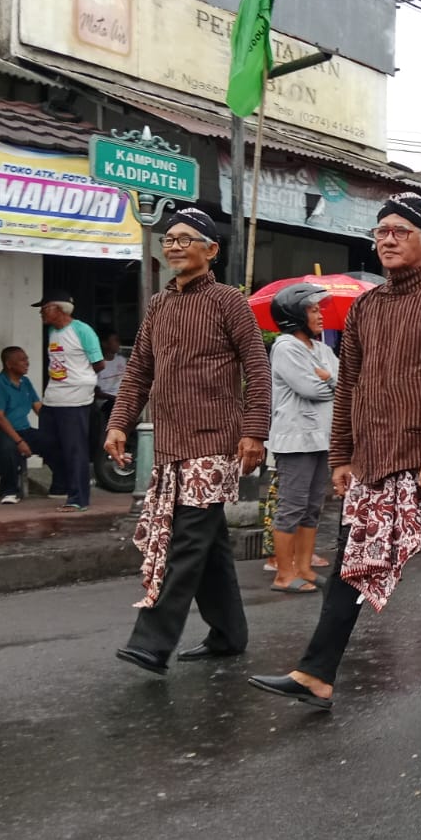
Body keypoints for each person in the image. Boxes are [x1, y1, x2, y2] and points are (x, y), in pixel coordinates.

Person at [249, 193, 421, 709]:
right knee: (351, 564)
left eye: (401, 231)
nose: (388, 239)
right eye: (382, 231)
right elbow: (347, 385)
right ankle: (317, 674)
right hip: (372, 462)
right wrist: (343, 455)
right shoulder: (367, 307)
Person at [105, 208, 271, 676]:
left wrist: (254, 431)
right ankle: (228, 634)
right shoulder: (159, 305)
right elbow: (138, 371)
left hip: (215, 442)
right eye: (168, 239)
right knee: (207, 543)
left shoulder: (228, 302)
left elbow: (257, 370)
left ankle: (152, 641)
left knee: (187, 539)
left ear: (211, 250)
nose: (173, 246)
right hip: (171, 445)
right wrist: (119, 423)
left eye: (185, 239)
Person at [264, 282, 337, 593]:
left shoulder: (322, 349)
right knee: (292, 505)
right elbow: (310, 389)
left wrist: (329, 378)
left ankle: (304, 568)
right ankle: (283, 573)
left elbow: (345, 382)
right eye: (313, 309)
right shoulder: (285, 347)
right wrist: (331, 380)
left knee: (312, 506)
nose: (320, 315)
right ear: (294, 314)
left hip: (322, 438)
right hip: (295, 440)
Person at [34, 289, 105, 512]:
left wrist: (81, 380)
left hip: (75, 399)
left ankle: (78, 498)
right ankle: (63, 481)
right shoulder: (52, 332)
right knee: (45, 442)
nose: (41, 314)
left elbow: (99, 363)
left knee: (75, 449)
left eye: (44, 309)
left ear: (58, 309)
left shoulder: (82, 330)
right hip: (53, 397)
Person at [0, 347, 54, 503]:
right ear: (9, 364)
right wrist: (19, 441)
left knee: (52, 440)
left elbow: (38, 407)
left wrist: (55, 427)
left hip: (22, 429)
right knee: (9, 446)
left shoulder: (25, 382)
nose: (27, 363)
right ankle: (10, 491)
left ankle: (60, 485)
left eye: (27, 359)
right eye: (22, 360)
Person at [94, 331, 128, 402]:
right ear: (105, 344)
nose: (118, 343)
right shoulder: (98, 365)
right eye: (115, 340)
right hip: (107, 401)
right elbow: (96, 392)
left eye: (118, 340)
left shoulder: (122, 360)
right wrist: (115, 398)